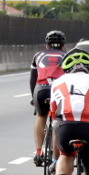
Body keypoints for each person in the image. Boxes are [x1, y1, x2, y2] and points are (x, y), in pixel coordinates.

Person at [30, 30, 67, 166]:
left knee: (41, 116)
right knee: (58, 120)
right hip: (59, 89)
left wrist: (33, 98)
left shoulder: (38, 55)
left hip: (41, 89)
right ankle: (55, 159)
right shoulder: (66, 56)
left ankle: (39, 152)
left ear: (47, 45)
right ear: (63, 46)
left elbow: (33, 79)